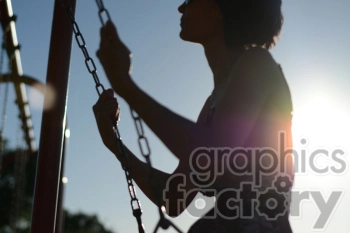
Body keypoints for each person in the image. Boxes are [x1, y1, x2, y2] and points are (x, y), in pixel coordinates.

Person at [93, 0, 294, 232]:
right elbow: (174, 198)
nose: (181, 7)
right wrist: (114, 144)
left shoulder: (258, 63)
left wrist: (124, 85)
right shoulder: (213, 104)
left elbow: (213, 155)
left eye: (190, 0)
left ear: (222, 7)